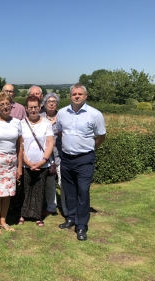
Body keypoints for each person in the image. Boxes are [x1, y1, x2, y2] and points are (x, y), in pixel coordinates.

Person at [57, 83, 106, 241]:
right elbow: (59, 132)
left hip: (85, 159)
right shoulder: (62, 113)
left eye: (80, 94)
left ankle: (81, 225)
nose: (76, 96)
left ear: (85, 96)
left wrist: (90, 148)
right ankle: (71, 218)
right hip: (66, 158)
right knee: (69, 191)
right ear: (70, 96)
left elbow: (101, 136)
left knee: (83, 191)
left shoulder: (95, 114)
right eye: (74, 94)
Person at [0, 92, 23, 234]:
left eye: (8, 104)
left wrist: (19, 166)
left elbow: (20, 146)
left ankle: (3, 221)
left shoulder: (17, 122)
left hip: (11, 163)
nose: (5, 106)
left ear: (11, 105)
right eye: (2, 104)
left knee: (7, 193)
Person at [19, 96, 54, 227]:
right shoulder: (21, 124)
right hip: (25, 163)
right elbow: (20, 146)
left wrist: (43, 160)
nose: (33, 110)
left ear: (40, 107)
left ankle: (37, 216)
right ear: (26, 108)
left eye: (35, 107)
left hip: (42, 163)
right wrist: (27, 162)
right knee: (25, 190)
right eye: (30, 107)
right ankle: (23, 214)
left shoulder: (46, 123)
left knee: (39, 191)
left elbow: (50, 143)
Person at [42, 93, 67, 217]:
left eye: (54, 101)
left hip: (61, 155)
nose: (51, 103)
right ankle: (51, 207)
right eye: (48, 101)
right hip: (47, 157)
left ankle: (67, 209)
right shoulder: (40, 117)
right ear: (44, 104)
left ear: (57, 103)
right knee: (49, 184)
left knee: (63, 183)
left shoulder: (62, 117)